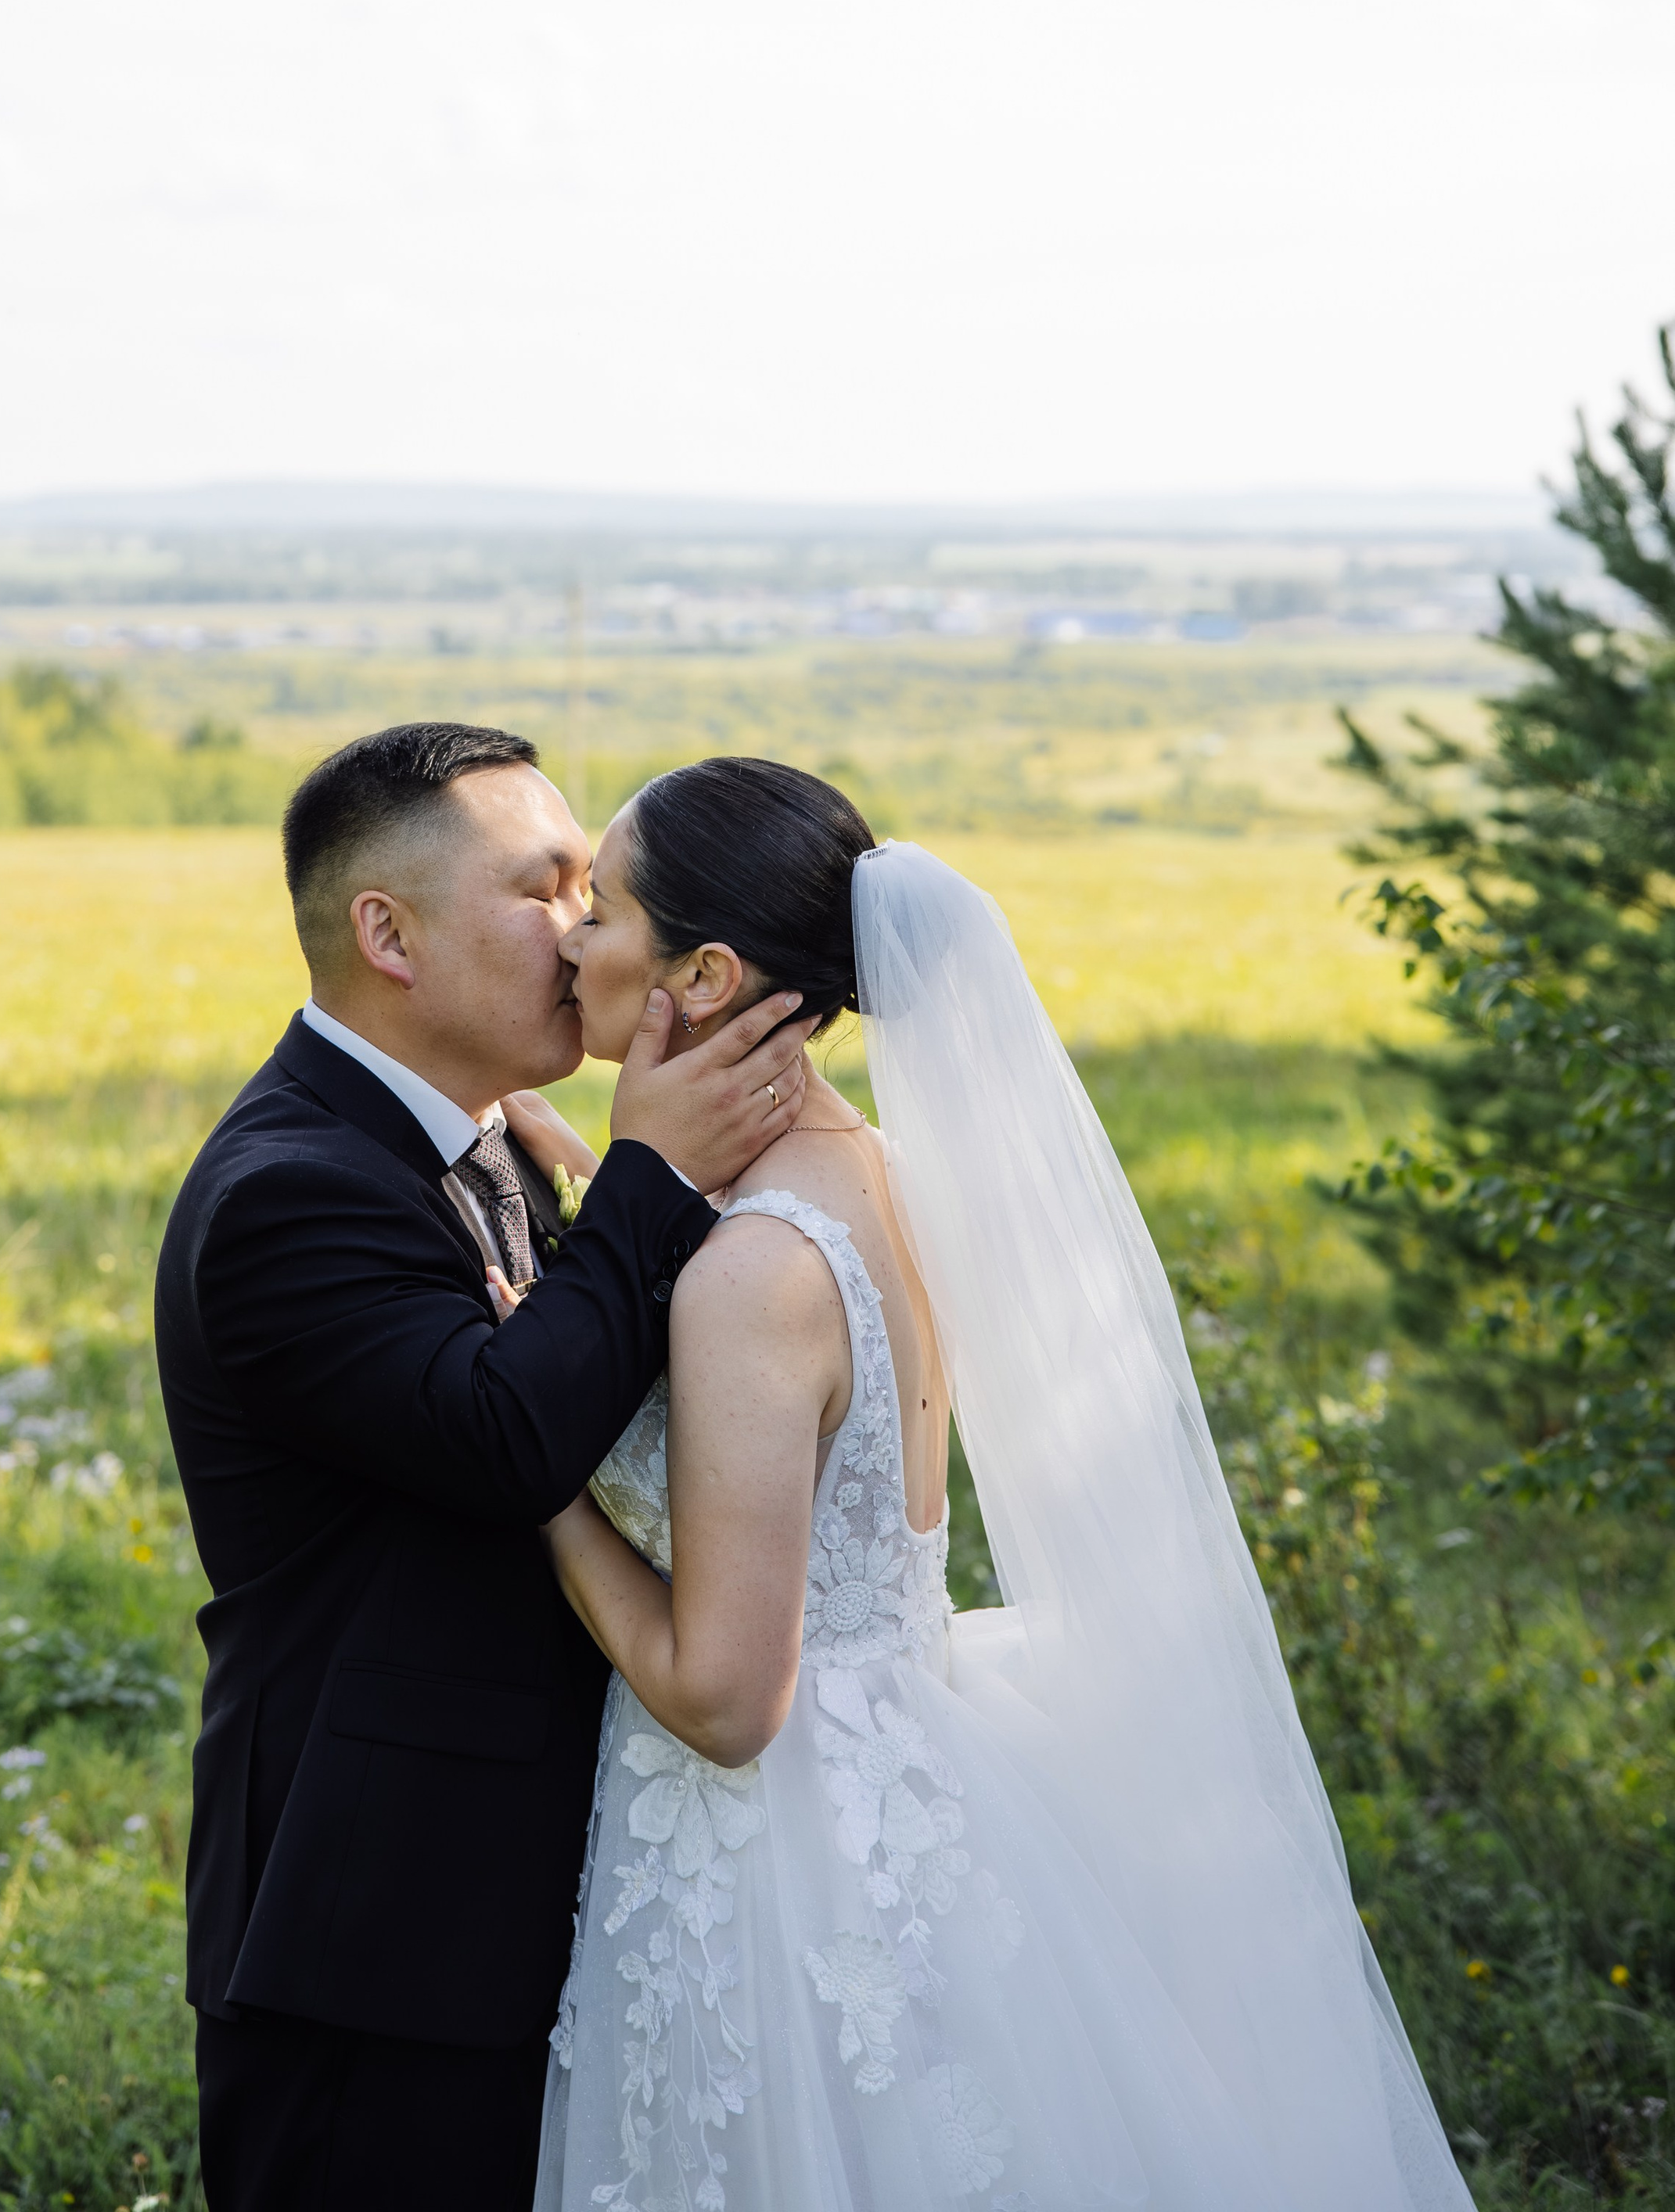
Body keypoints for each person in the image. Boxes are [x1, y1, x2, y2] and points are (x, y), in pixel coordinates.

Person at [518, 756, 1475, 2212]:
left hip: (781, 1865)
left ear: (704, 977)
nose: (571, 937)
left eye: (603, 908)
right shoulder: (877, 1174)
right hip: (911, 1771)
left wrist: (544, 1487)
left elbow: (725, 1700)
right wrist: (615, 1178)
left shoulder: (754, 1276)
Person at [153, 723, 817, 2212]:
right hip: (374, 1931)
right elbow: (509, 1439)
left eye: (592, 890)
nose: (581, 930)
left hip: (536, 1897)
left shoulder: (491, 1134)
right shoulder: (285, 1194)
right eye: (542, 888)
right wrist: (649, 1173)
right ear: (387, 934)